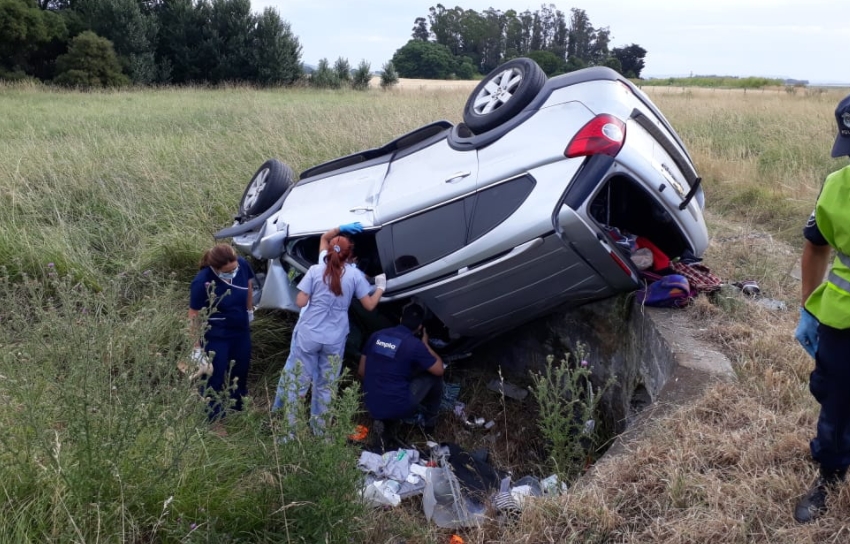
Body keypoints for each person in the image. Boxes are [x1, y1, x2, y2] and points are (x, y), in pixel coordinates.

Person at [793, 93, 850, 524]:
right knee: (835, 404)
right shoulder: (837, 186)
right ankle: (829, 478)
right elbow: (815, 249)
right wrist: (808, 310)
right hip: (842, 322)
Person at [272, 222, 386, 431]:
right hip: (334, 338)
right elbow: (369, 305)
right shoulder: (355, 276)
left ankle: (290, 432)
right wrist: (380, 287)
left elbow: (300, 302)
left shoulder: (316, 270)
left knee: (299, 383)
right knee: (325, 386)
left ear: (330, 252)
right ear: (351, 257)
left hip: (309, 334)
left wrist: (340, 228)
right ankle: (320, 431)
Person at [357, 303, 444, 441]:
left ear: (401, 319)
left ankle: (386, 421)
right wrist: (425, 344)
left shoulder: (376, 336)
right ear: (420, 327)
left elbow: (362, 372)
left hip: (371, 404)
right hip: (399, 406)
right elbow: (439, 369)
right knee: (433, 376)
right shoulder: (415, 345)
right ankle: (429, 425)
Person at [188, 243, 255, 423]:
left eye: (235, 268)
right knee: (214, 377)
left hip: (240, 331)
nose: (233, 272)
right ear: (216, 269)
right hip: (216, 336)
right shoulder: (202, 282)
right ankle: (213, 418)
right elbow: (193, 316)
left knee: (240, 370)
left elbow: (248, 285)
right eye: (228, 271)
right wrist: (196, 348)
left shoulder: (241, 265)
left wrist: (249, 310)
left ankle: (237, 406)